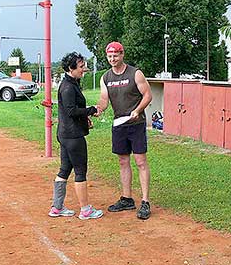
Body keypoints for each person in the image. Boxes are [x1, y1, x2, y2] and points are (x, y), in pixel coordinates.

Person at [97, 41, 153, 220]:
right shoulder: (105, 77)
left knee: (140, 161)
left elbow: (148, 95)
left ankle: (145, 201)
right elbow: (104, 100)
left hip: (136, 123)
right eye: (110, 56)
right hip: (119, 124)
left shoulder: (135, 73)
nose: (113, 59)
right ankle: (127, 198)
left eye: (116, 55)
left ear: (122, 55)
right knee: (123, 161)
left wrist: (138, 110)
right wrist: (96, 110)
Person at [49, 52, 103, 220]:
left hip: (66, 134)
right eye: (80, 67)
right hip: (72, 136)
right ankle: (85, 210)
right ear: (71, 68)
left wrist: (85, 117)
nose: (83, 70)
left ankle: (57, 208)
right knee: (80, 171)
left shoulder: (71, 83)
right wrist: (91, 110)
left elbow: (70, 110)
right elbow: (71, 111)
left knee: (65, 169)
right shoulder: (67, 87)